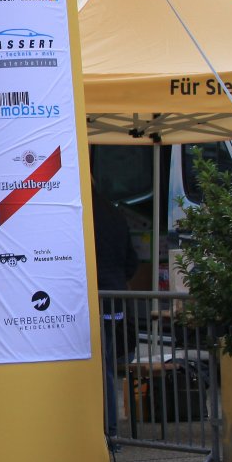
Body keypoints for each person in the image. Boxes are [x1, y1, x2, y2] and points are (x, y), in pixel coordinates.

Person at [93, 184, 139, 441]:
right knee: (107, 366)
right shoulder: (114, 212)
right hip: (115, 297)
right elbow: (131, 260)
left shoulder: (81, 213)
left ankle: (106, 431)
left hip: (91, 296)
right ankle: (110, 432)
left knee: (97, 368)